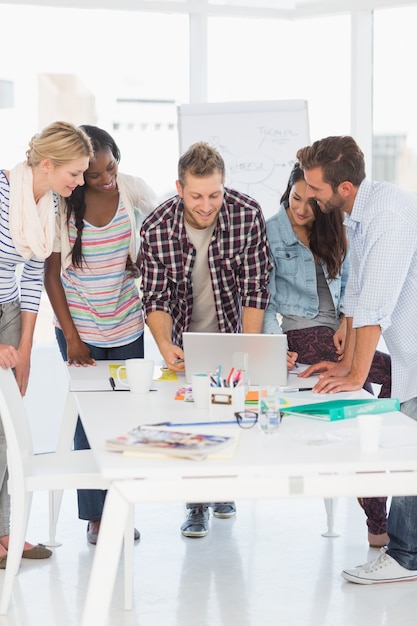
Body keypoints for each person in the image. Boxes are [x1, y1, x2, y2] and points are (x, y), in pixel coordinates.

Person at [295, 135, 417, 584]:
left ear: (343, 188)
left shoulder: (389, 217)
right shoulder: (363, 212)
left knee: (410, 457)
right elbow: (360, 288)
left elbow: (377, 306)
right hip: (410, 358)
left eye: (315, 188)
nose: (308, 195)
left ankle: (406, 559)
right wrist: (345, 368)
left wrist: (357, 376)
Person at [140, 141, 271, 538]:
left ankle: (223, 489)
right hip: (184, 338)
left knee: (230, 413)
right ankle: (196, 503)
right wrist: (165, 345)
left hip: (233, 330)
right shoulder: (156, 227)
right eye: (196, 195)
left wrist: (249, 349)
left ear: (224, 186)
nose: (206, 204)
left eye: (214, 194)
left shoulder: (246, 215)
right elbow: (155, 296)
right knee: (192, 419)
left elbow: (255, 287)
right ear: (179, 188)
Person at [262, 162, 391, 548]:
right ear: (288, 193)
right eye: (295, 198)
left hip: (337, 330)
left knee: (396, 373)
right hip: (300, 333)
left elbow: (351, 282)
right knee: (362, 400)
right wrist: (275, 344)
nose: (302, 208)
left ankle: (379, 449)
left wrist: (347, 326)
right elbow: (264, 301)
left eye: (310, 201)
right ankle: (377, 519)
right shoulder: (270, 232)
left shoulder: (334, 227)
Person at [44, 125, 157, 545]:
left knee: (127, 419)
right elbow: (52, 276)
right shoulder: (61, 206)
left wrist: (142, 259)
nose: (106, 177)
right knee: (89, 421)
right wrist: (72, 337)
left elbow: (163, 227)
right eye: (94, 174)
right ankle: (96, 516)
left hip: (127, 320)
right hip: (80, 328)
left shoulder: (131, 189)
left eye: (111, 166)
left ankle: (123, 506)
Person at [0, 120, 93, 567]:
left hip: (11, 314)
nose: (79, 183)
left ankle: (6, 532)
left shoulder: (51, 204)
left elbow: (35, 273)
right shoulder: (2, 192)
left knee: (12, 429)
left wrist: (26, 348)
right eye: (74, 173)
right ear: (48, 163)